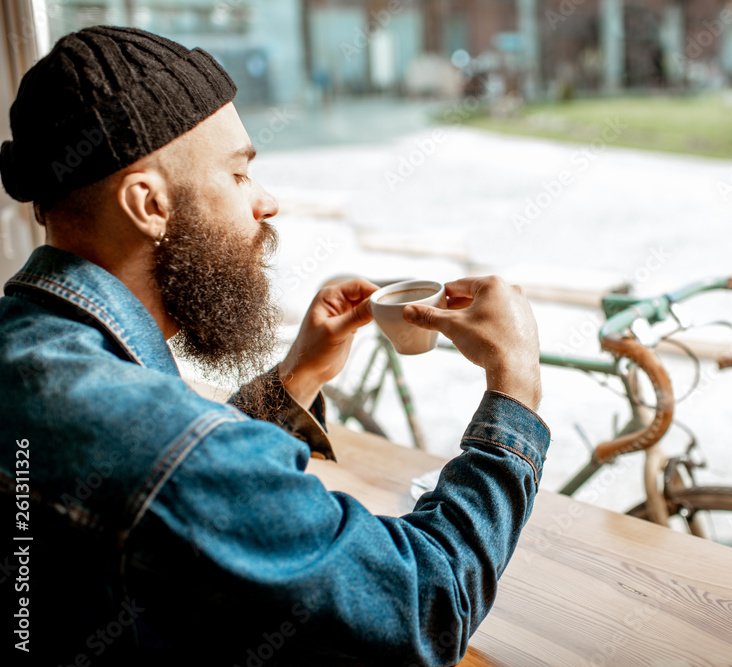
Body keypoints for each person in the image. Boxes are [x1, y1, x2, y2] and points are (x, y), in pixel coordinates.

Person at [0, 26, 549, 665]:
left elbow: (166, 496)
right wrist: (515, 383)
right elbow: (423, 606)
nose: (269, 203)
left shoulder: (30, 349)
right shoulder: (148, 443)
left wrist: (294, 378)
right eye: (239, 175)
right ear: (147, 203)